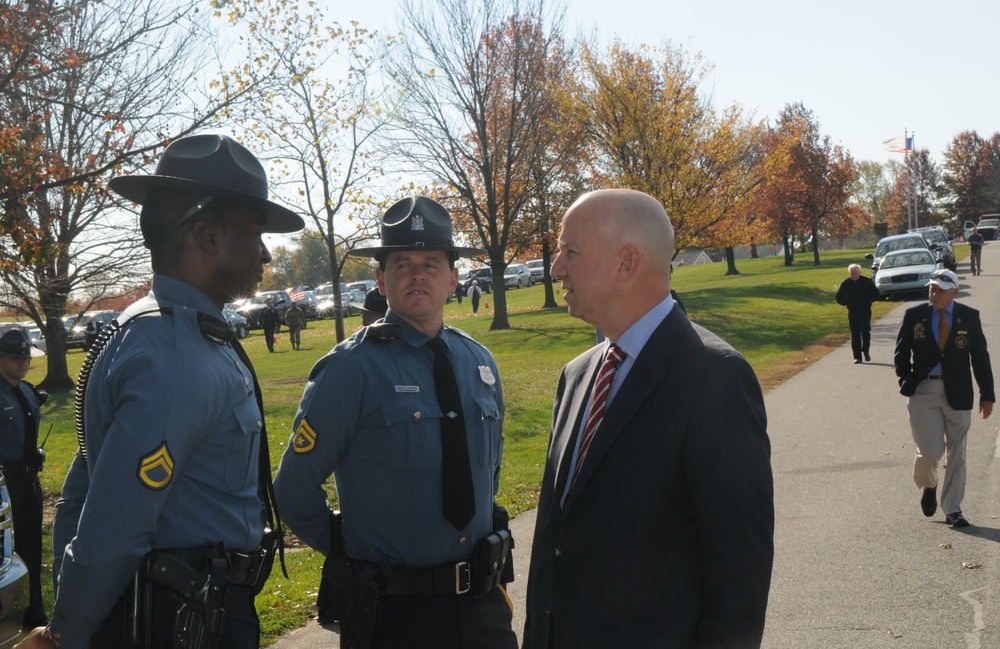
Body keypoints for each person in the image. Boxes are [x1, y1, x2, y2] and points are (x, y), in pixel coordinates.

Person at [18, 134, 304, 649]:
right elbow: (113, 527)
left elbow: (83, 492)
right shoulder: (173, 353)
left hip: (191, 613)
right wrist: (66, 636)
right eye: (256, 233)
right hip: (180, 624)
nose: (265, 253)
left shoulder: (172, 334)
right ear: (207, 236)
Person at [522, 189, 774, 649]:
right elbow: (554, 545)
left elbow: (739, 576)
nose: (556, 268)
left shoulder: (714, 377)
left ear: (625, 263)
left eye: (570, 251)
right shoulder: (577, 375)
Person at [273, 196, 516, 649]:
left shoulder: (478, 361)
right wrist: (352, 551)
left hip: (483, 609)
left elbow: (490, 471)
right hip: (395, 614)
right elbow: (292, 489)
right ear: (381, 280)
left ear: (454, 279)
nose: (418, 274)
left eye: (431, 263)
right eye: (402, 264)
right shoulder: (350, 369)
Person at [894, 268, 994, 528]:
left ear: (954, 292)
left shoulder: (969, 317)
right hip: (923, 393)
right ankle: (929, 484)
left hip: (958, 393)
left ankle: (953, 509)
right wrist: (905, 379)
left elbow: (980, 357)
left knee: (957, 454)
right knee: (931, 451)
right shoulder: (914, 315)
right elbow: (901, 353)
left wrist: (987, 394)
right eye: (931, 288)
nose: (934, 293)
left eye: (940, 290)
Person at [0, 329, 48, 629]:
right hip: (4, 485)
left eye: (26, 357)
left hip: (30, 483)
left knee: (31, 549)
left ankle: (34, 615)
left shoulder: (27, 391)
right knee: (6, 555)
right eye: (16, 357)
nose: (23, 363)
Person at [836, 263, 881, 363]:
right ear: (850, 273)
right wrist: (847, 303)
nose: (854, 275)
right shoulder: (846, 283)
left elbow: (876, 294)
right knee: (855, 334)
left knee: (865, 332)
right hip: (853, 311)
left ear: (859, 272)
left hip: (865, 310)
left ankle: (866, 351)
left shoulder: (866, 282)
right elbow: (838, 297)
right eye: (852, 273)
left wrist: (868, 301)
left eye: (856, 273)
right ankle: (857, 357)